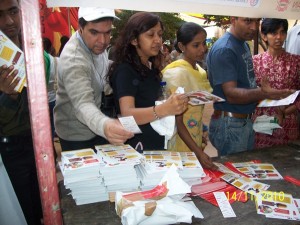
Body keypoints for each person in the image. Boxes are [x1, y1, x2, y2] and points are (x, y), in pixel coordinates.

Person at [206, 17, 294, 156]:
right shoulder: (225, 49)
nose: (254, 27)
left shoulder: (242, 44)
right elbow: (231, 94)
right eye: (248, 21)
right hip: (231, 124)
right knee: (235, 172)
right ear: (233, 20)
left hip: (243, 122)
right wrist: (265, 93)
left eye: (256, 21)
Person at [54, 7, 134, 151]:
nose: (103, 41)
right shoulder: (74, 60)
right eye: (94, 32)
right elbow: (82, 104)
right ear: (80, 28)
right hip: (77, 136)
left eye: (108, 32)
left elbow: (102, 69)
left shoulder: (95, 45)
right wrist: (106, 125)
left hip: (100, 124)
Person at [108, 12, 188, 151]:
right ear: (134, 40)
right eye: (151, 35)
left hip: (154, 144)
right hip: (137, 146)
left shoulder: (150, 67)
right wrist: (163, 109)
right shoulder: (125, 70)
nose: (158, 40)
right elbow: (127, 113)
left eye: (160, 34)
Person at [0, 0, 46, 224]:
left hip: (39, 144)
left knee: (43, 209)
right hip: (9, 150)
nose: (9, 21)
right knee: (23, 214)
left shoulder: (34, 49)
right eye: (0, 14)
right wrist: (6, 96)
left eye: (13, 12)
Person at [162, 22, 217, 170]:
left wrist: (202, 132)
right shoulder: (177, 74)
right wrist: (198, 152)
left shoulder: (198, 70)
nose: (202, 49)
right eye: (196, 45)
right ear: (181, 46)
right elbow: (177, 122)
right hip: (181, 142)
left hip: (195, 139)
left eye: (204, 44)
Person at [252, 18, 300, 148]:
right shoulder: (255, 62)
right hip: (262, 120)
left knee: (287, 162)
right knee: (262, 161)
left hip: (288, 121)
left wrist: (286, 112)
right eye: (274, 33)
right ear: (264, 36)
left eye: (282, 32)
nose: (279, 37)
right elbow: (249, 91)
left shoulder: (296, 62)